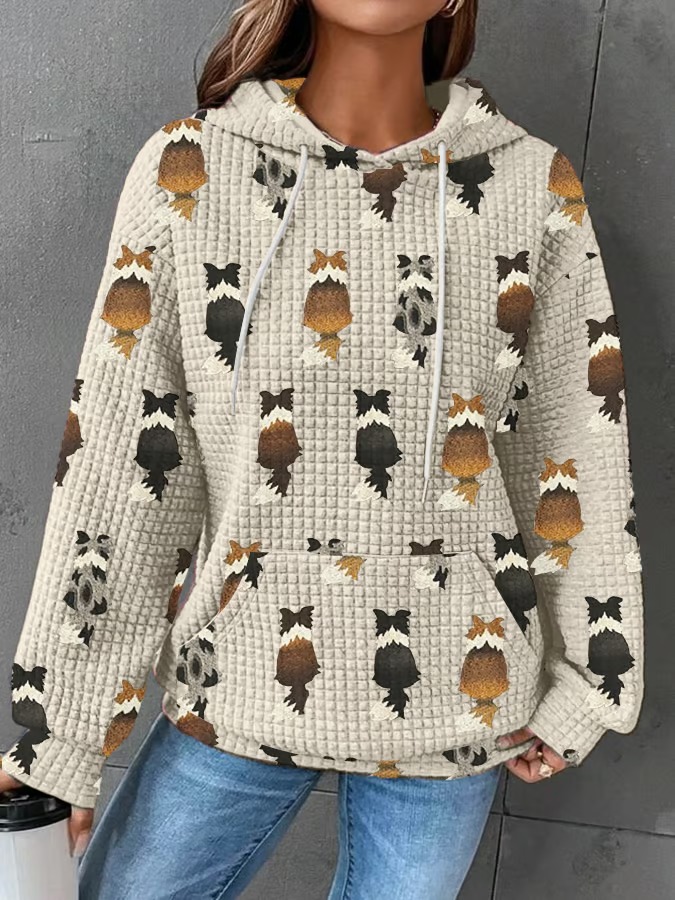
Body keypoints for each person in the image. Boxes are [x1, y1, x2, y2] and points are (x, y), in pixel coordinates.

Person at [0, 0, 645, 897]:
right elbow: (121, 461)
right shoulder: (192, 167)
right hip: (235, 681)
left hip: (456, 701)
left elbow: (574, 446)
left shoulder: (530, 185)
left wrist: (590, 683)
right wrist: (59, 735)